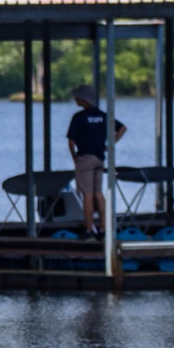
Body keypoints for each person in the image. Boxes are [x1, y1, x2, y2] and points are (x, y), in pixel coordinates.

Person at [66, 85, 127, 240]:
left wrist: (74, 158)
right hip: (99, 158)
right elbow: (122, 128)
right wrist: (110, 145)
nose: (75, 99)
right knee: (98, 193)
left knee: (87, 194)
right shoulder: (103, 116)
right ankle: (104, 229)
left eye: (77, 97)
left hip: (84, 158)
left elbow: (71, 142)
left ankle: (89, 230)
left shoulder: (78, 117)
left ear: (83, 100)